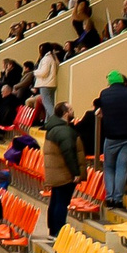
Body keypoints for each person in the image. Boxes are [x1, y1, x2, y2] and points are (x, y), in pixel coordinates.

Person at [96, 68, 127, 209]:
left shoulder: (104, 94)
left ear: (110, 82)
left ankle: (109, 197)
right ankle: (118, 199)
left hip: (111, 136)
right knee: (122, 167)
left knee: (109, 167)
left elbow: (100, 110)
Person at [41, 101, 85, 237]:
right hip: (64, 173)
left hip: (56, 171)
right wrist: (75, 173)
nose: (73, 111)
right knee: (61, 202)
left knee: (55, 201)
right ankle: (58, 230)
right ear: (66, 113)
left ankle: (53, 229)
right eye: (70, 109)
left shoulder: (54, 128)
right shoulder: (64, 131)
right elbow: (69, 153)